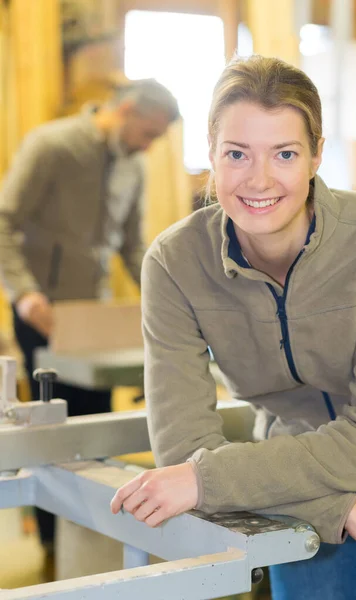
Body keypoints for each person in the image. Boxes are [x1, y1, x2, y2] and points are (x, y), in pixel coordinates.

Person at [110, 56, 356, 599]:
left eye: (285, 154)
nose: (259, 180)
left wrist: (206, 479)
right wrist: (344, 511)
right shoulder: (174, 263)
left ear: (315, 155)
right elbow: (185, 448)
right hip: (284, 482)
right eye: (237, 154)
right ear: (212, 157)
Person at [0, 78, 179, 558]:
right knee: (49, 436)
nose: (149, 144)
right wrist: (24, 293)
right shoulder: (53, 145)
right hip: (43, 313)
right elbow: (3, 219)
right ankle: (51, 545)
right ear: (123, 109)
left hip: (92, 322)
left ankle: (88, 539)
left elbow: (132, 244)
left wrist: (168, 296)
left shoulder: (133, 167)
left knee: (92, 431)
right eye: (147, 131)